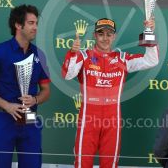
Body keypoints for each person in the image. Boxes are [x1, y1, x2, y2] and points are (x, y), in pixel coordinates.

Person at [61, 18, 159, 168]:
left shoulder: (122, 59)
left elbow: (152, 60)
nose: (105, 38)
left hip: (112, 121)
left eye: (109, 34)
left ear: (114, 36)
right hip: (88, 120)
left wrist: (149, 32)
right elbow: (67, 74)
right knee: (82, 164)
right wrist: (73, 53)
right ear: (94, 35)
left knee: (110, 165)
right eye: (101, 34)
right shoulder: (84, 56)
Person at [0, 4, 51, 168]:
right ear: (18, 25)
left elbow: (46, 91)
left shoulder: (40, 55)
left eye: (36, 23)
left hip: (30, 119)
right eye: (31, 23)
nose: (35, 27)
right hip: (4, 117)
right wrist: (7, 106)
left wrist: (35, 99)